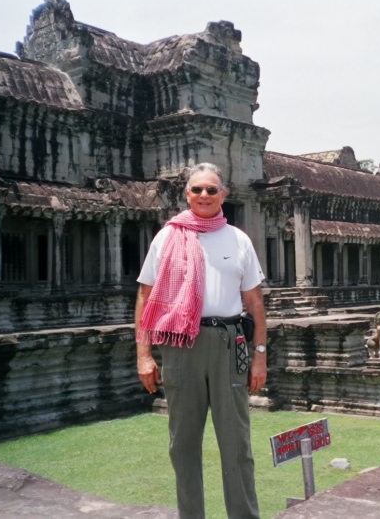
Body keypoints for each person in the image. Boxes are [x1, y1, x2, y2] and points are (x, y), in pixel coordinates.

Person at [135, 163, 267, 519]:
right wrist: (144, 355)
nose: (204, 195)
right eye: (197, 189)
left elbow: (254, 303)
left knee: (236, 442)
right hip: (179, 346)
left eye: (212, 189)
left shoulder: (238, 239)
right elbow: (145, 297)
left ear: (224, 195)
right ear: (186, 194)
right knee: (183, 443)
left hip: (229, 342)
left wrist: (260, 355)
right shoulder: (167, 237)